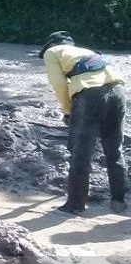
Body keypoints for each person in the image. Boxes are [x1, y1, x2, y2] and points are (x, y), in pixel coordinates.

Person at [39, 31, 126, 214]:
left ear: (51, 45)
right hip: (118, 92)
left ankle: (75, 205)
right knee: (114, 150)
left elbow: (59, 84)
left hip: (89, 95)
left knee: (81, 153)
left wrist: (68, 110)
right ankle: (118, 202)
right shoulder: (85, 51)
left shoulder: (52, 52)